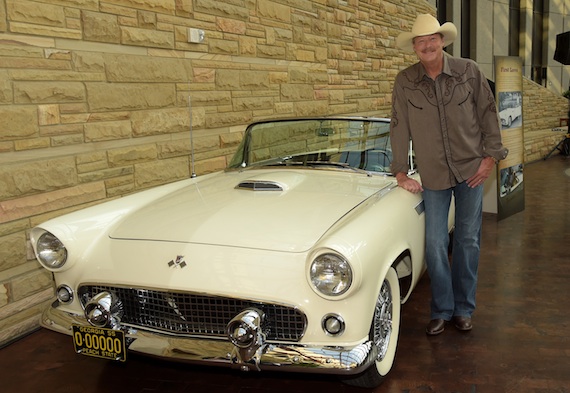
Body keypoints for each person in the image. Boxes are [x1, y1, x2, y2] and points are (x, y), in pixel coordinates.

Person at [390, 14, 508, 336]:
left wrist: (490, 158)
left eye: (432, 39)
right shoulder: (405, 81)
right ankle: (441, 308)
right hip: (434, 175)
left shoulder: (468, 71)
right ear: (414, 47)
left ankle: (463, 309)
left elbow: (488, 112)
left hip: (471, 170)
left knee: (468, 241)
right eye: (420, 41)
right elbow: (399, 126)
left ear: (442, 41)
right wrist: (400, 171)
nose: (427, 45)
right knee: (435, 243)